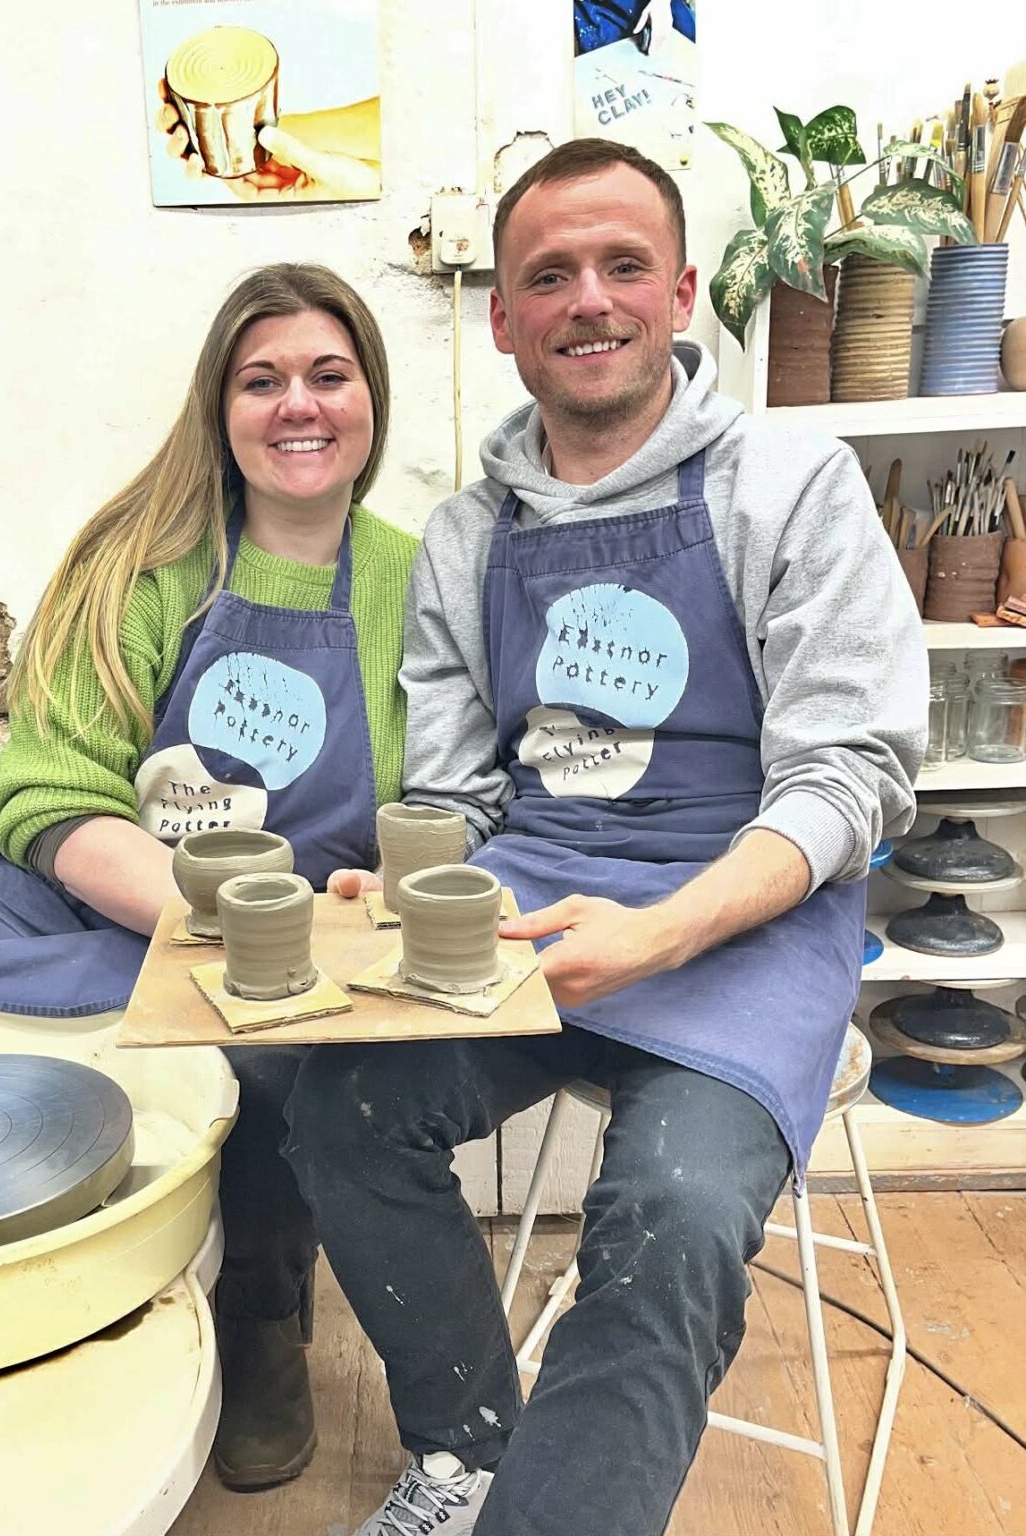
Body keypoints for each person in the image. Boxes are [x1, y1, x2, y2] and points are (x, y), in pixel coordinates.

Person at [291, 139, 927, 1536]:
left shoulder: (788, 483)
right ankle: (464, 1449)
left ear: (682, 291)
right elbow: (465, 797)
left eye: (620, 264)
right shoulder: (468, 535)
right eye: (548, 276)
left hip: (745, 921)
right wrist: (405, 881)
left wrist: (660, 931)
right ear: (504, 318)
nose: (588, 299)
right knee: (335, 1108)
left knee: (672, 1219)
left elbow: (850, 774)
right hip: (538, 915)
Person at [0, 262, 418, 1494]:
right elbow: (51, 802)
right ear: (219, 406)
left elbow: (431, 805)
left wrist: (345, 915)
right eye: (261, 380)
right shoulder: (139, 557)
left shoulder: (412, 585)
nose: (297, 406)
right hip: (45, 897)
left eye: (329, 374)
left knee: (283, 1078)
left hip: (276, 935)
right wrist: (214, 912)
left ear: (372, 398)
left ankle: (265, 1328)